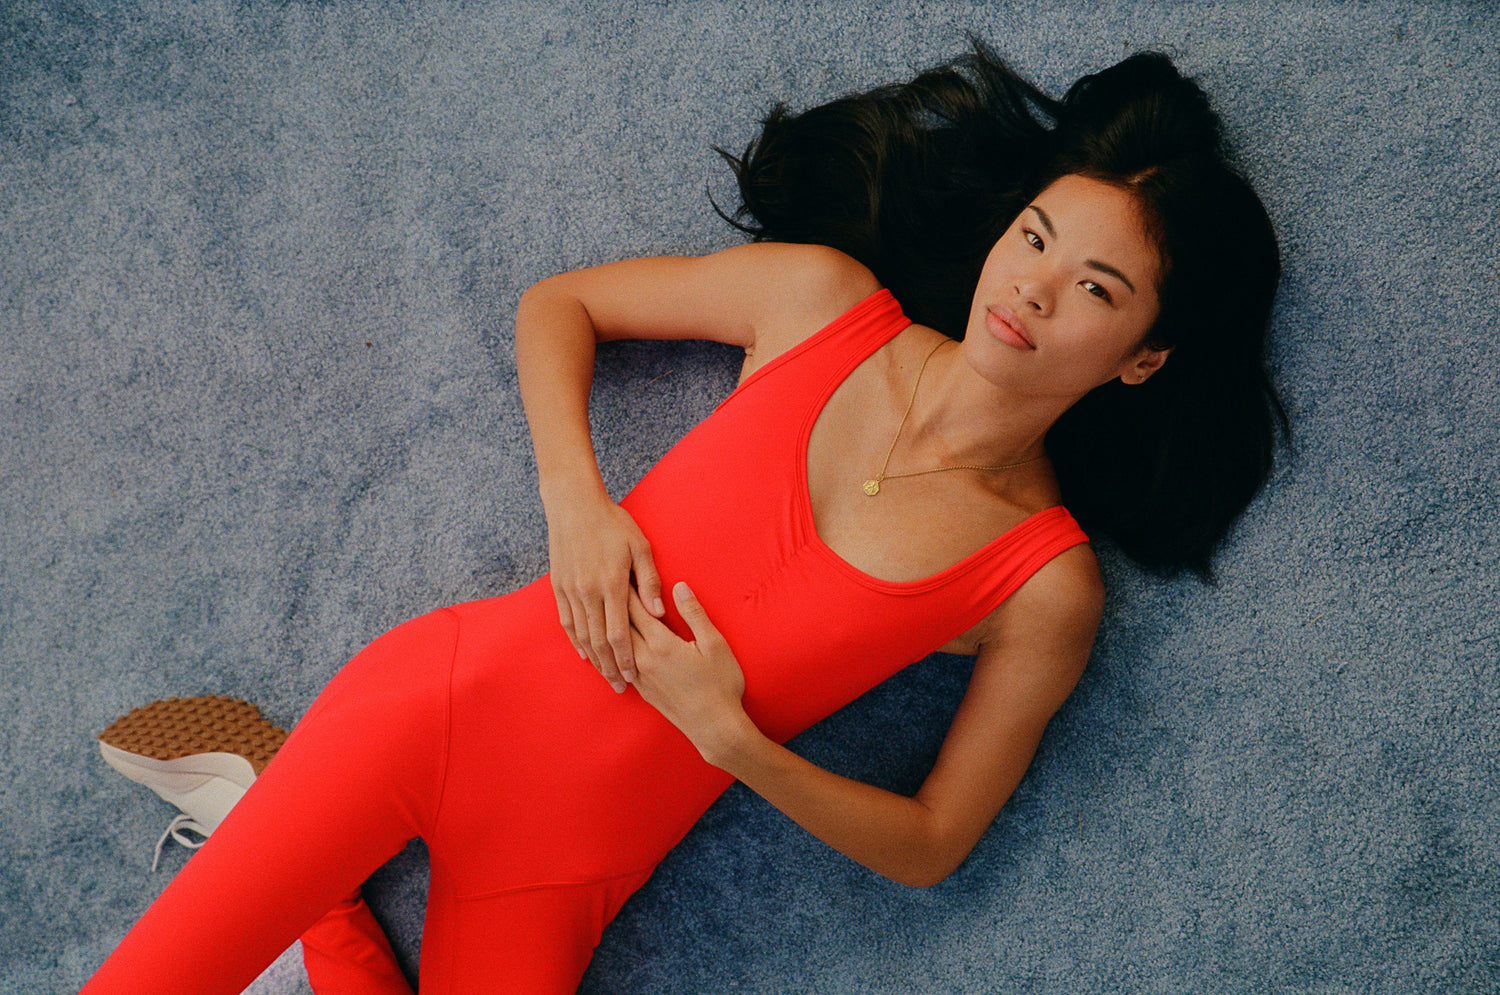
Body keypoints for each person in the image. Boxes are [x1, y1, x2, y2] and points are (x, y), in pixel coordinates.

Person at [83, 42, 1284, 994]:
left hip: (557, 871)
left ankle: (308, 872)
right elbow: (563, 305)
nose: (1030, 285)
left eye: (1096, 289)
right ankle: (296, 840)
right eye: (1036, 236)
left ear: (1143, 357)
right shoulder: (825, 302)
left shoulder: (1043, 584)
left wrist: (737, 742)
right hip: (433, 707)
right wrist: (578, 505)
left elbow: (931, 842)